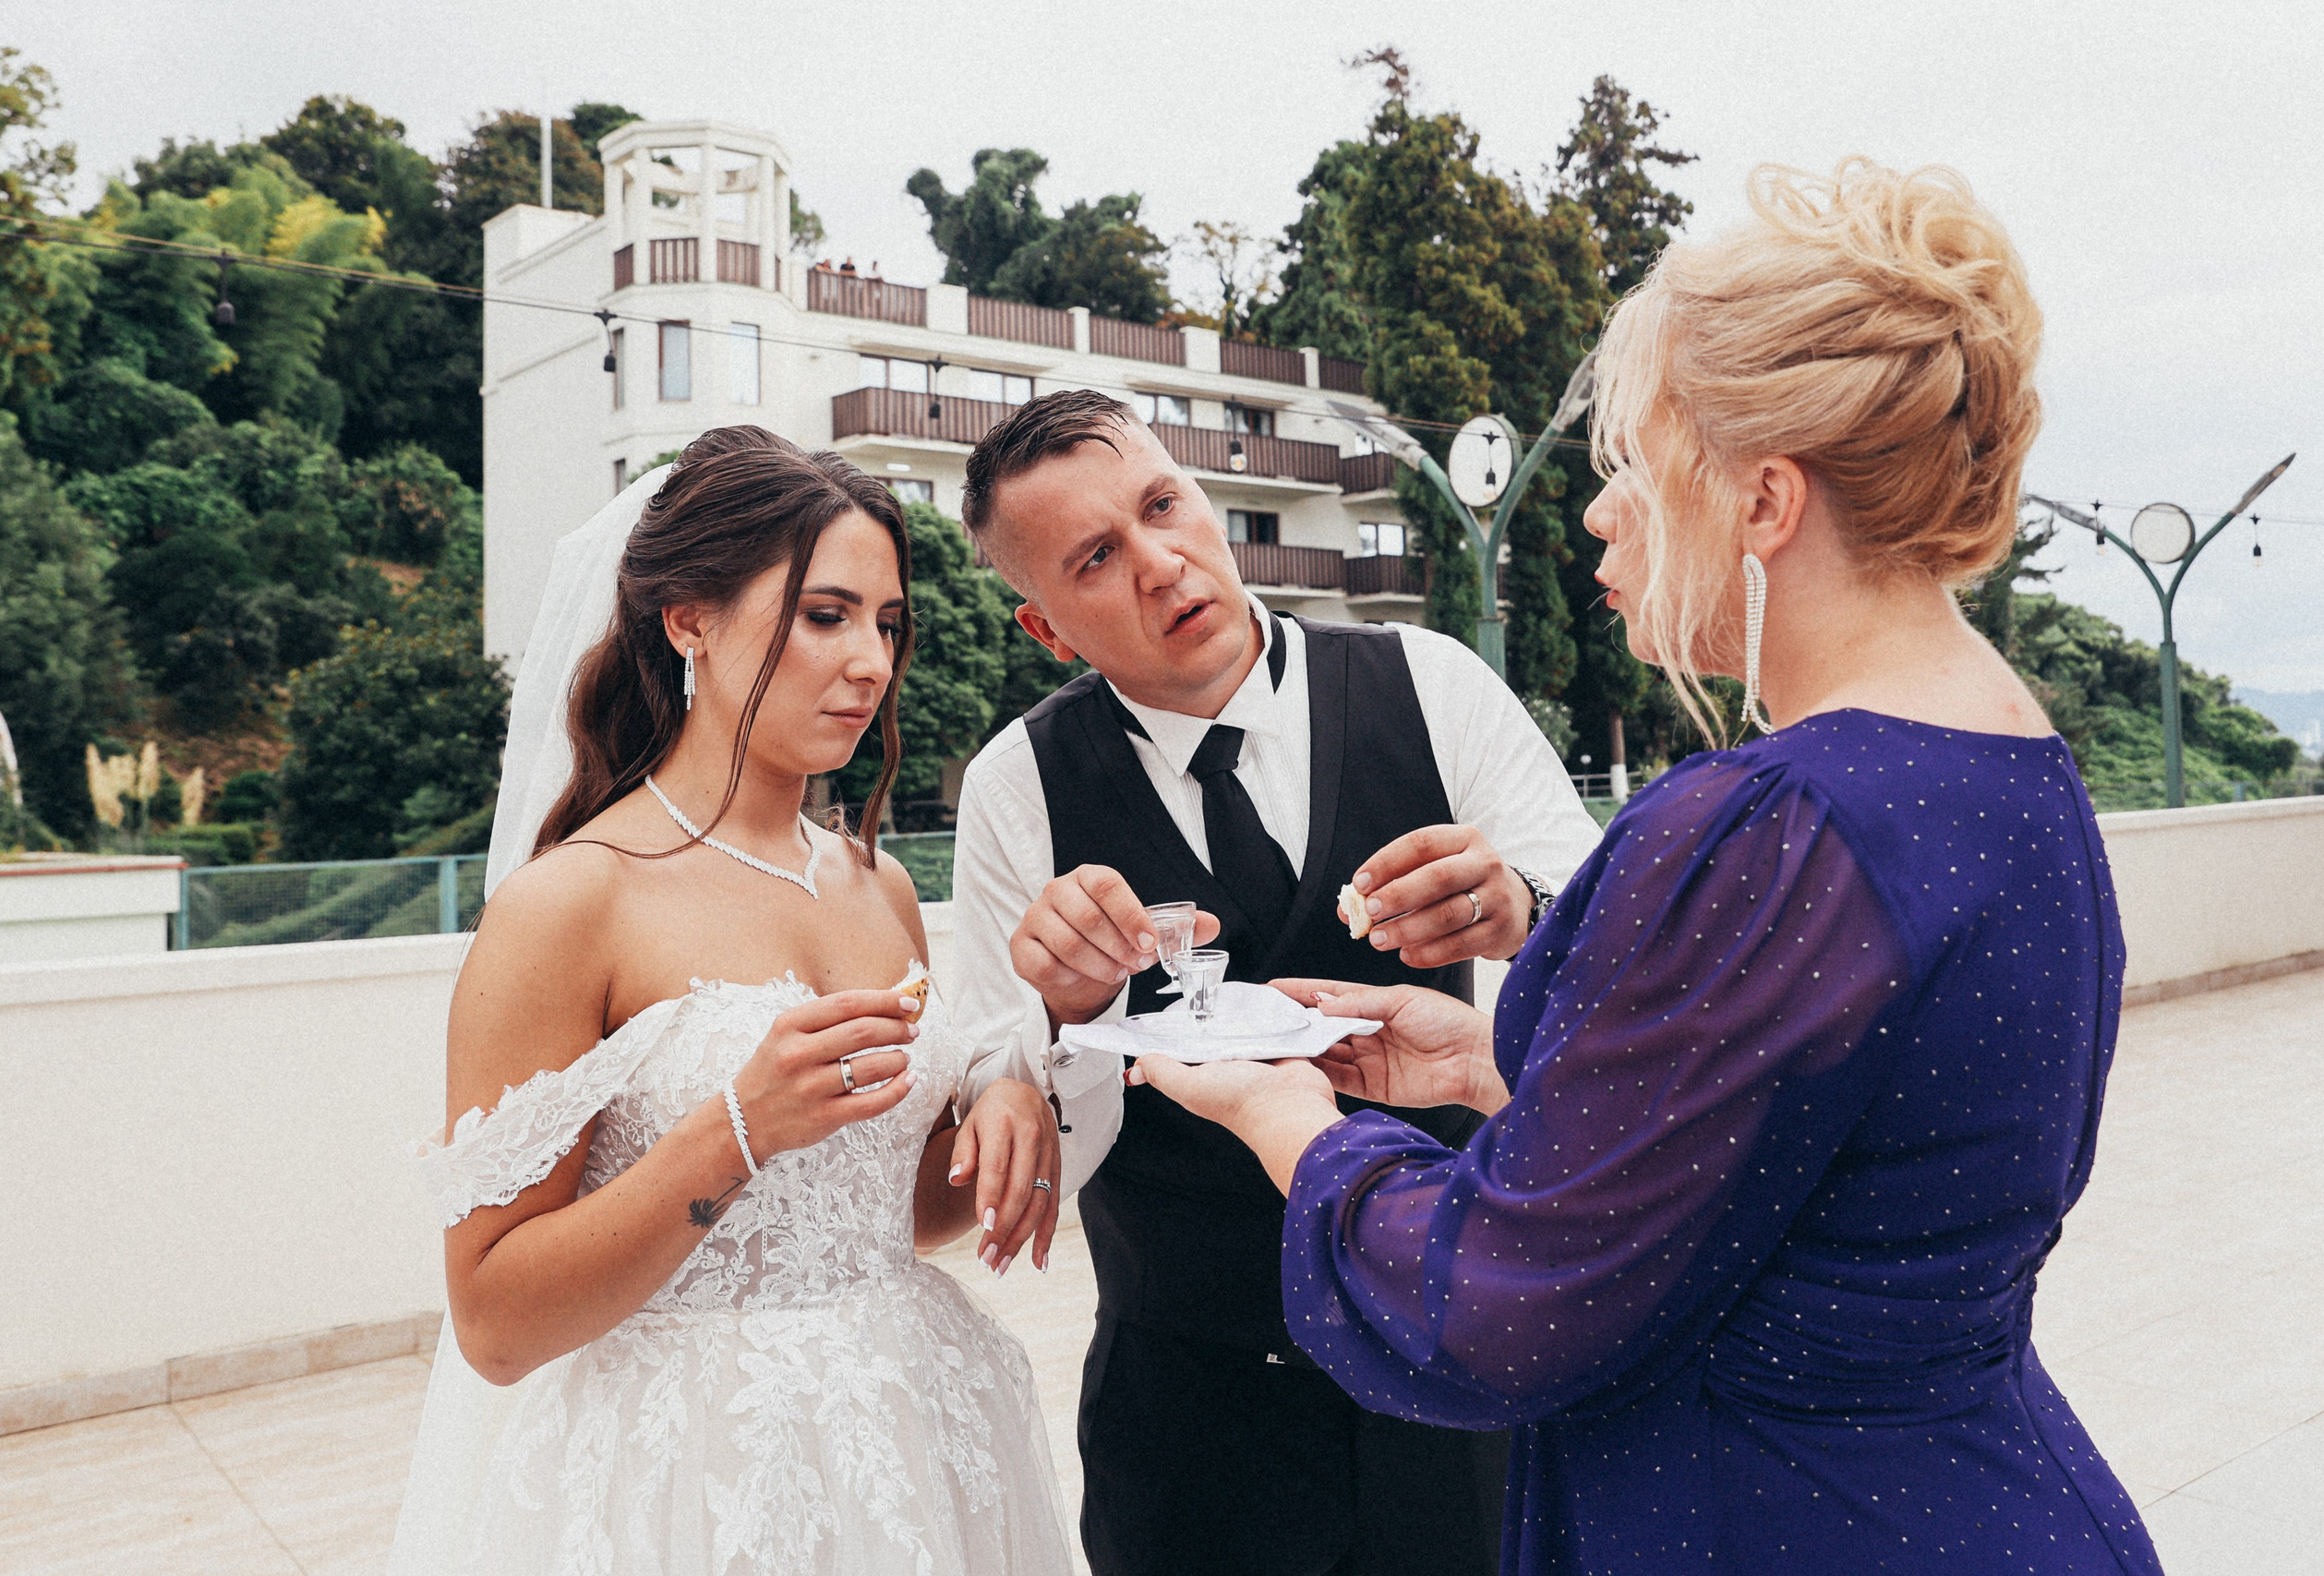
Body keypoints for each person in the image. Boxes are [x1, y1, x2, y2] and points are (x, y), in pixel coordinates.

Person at [1130, 159, 2167, 1575]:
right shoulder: (2018, 768)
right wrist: (1495, 1064)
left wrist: (1286, 1118)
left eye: (1635, 466)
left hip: (1780, 1519)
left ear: (1764, 501)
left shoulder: (1767, 818)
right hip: (1980, 1492)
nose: (1603, 515)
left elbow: (1502, 1308)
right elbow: (1837, 1137)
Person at [390, 427, 1073, 1574]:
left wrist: (1013, 1102)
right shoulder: (572, 904)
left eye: (887, 624)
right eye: (825, 614)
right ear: (688, 619)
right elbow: (497, 1326)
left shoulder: (880, 886)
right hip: (690, 1487)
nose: (870, 661)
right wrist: (735, 1130)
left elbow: (901, 1217)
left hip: (915, 1448)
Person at [948, 391, 1601, 1574]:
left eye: (1162, 505)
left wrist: (1524, 911)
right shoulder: (1016, 791)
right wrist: (1062, 1019)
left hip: (1454, 1368)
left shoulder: (1430, 681)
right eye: (1097, 558)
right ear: (1046, 629)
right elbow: (1029, 1135)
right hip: (1190, 1426)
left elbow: (1613, 977)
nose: (1160, 564)